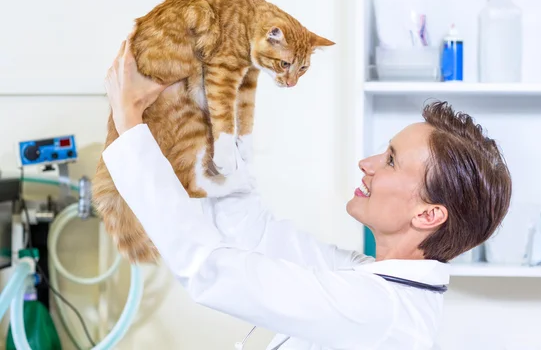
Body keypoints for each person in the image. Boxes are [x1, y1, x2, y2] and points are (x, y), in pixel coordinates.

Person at [102, 40, 512, 350]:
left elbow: (212, 272)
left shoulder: (379, 311)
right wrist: (214, 122)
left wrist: (130, 126)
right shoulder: (370, 278)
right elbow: (254, 232)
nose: (366, 163)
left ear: (428, 215)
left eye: (389, 160)